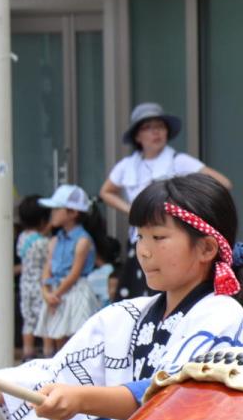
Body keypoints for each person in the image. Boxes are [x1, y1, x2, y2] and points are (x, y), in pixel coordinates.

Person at [0, 175, 243, 420]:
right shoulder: (125, 317)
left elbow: (169, 391)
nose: (145, 252)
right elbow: (50, 376)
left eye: (159, 238)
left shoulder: (222, 315)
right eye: (140, 238)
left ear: (206, 248)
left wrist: (81, 400)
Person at [100, 102, 233, 299]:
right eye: (148, 128)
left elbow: (223, 183)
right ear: (137, 136)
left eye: (160, 127)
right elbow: (106, 192)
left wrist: (184, 207)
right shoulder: (127, 165)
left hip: (171, 236)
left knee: (169, 288)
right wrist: (132, 211)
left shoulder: (178, 161)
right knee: (138, 293)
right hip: (140, 236)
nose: (156, 132)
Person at [36, 184, 102, 356]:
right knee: (57, 335)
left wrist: (54, 294)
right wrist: (46, 292)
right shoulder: (55, 240)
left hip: (75, 291)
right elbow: (47, 268)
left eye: (58, 209)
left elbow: (75, 274)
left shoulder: (83, 240)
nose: (53, 213)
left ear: (73, 213)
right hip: (56, 291)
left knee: (76, 337)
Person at [15, 195, 51, 361]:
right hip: (40, 285)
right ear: (43, 220)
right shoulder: (44, 242)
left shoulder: (22, 238)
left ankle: (27, 352)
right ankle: (47, 352)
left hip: (25, 285)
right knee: (45, 319)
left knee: (29, 320)